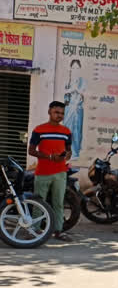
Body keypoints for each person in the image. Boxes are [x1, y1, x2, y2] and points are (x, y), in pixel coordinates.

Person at [28, 101, 73, 241]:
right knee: (38, 203)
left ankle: (58, 231)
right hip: (42, 173)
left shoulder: (67, 131)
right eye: (56, 112)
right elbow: (31, 151)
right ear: (49, 112)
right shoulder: (39, 130)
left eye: (61, 113)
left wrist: (66, 155)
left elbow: (69, 150)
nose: (59, 115)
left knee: (58, 203)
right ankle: (34, 230)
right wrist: (48, 157)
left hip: (60, 172)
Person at [62, 59, 86, 160]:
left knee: (77, 131)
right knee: (68, 131)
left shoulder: (82, 81)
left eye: (77, 68)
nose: (75, 69)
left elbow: (85, 94)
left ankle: (75, 153)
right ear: (70, 69)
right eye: (73, 67)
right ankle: (67, 152)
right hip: (68, 110)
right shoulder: (67, 81)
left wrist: (78, 90)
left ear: (80, 69)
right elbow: (63, 94)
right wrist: (71, 90)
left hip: (78, 109)